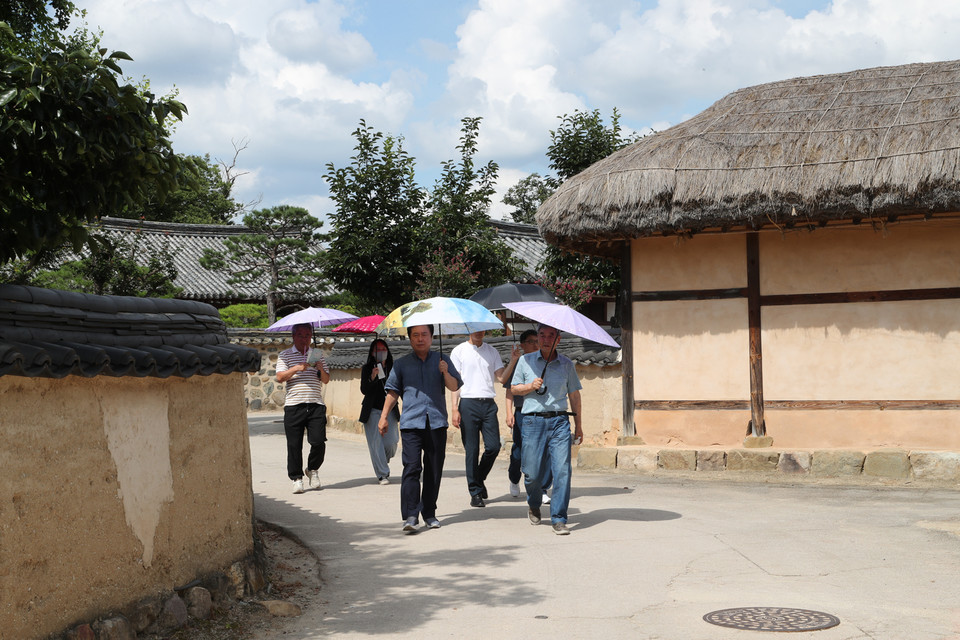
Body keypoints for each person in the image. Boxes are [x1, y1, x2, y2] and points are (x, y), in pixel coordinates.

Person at [380, 324, 462, 534]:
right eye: (415, 335)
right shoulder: (401, 364)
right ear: (409, 338)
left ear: (432, 337)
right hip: (411, 424)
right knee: (412, 468)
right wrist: (383, 417)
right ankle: (410, 515)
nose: (420, 339)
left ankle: (429, 513)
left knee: (434, 470)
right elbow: (392, 392)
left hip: (436, 423)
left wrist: (445, 373)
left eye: (424, 334)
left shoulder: (442, 359)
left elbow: (454, 387)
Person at [510, 325, 582, 535]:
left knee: (562, 471)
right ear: (538, 338)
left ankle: (559, 518)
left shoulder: (566, 364)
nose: (546, 339)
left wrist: (579, 426)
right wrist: (530, 386)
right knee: (531, 474)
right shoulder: (526, 361)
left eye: (551, 336)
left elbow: (575, 396)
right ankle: (533, 502)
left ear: (558, 340)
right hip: (532, 422)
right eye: (542, 335)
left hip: (560, 421)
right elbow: (514, 388)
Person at [450, 331, 520, 507]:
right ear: (469, 329)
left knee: (494, 446)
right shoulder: (459, 351)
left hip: (488, 404)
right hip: (467, 404)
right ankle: (475, 492)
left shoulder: (492, 351)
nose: (479, 332)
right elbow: (454, 384)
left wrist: (513, 360)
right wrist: (454, 408)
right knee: (472, 450)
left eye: (482, 329)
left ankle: (479, 478)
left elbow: (502, 378)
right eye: (476, 329)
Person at [275, 323, 330, 494]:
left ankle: (312, 469)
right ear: (293, 336)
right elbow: (280, 377)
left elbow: (326, 379)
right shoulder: (285, 355)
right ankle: (297, 478)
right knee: (294, 444)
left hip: (315, 404)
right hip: (294, 405)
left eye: (307, 335)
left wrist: (320, 367)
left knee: (318, 441)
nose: (304, 338)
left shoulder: (317, 354)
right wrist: (297, 368)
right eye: (300, 335)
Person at [503, 329, 551, 501]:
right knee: (520, 449)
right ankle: (514, 478)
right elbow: (509, 391)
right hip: (522, 412)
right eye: (530, 341)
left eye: (536, 341)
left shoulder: (547, 362)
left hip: (542, 411)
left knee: (544, 450)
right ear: (522, 345)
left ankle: (542, 489)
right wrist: (509, 412)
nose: (535, 344)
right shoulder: (519, 363)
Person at [359, 339, 399, 485]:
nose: (381, 352)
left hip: (390, 411)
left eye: (383, 349)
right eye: (378, 350)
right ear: (372, 353)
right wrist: (373, 377)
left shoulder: (393, 367)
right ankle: (383, 474)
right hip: (372, 411)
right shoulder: (367, 368)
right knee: (376, 444)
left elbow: (398, 387)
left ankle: (382, 460)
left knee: (392, 443)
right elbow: (364, 390)